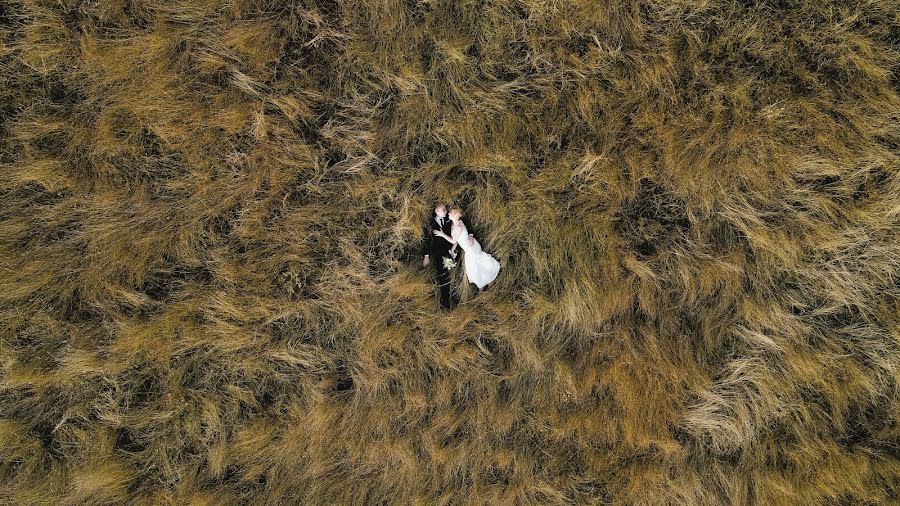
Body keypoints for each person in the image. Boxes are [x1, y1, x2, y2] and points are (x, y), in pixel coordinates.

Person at [433, 207, 500, 293]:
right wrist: (453, 250)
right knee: (476, 266)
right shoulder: (454, 224)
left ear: (456, 215)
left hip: (470, 248)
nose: (448, 213)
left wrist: (442, 234)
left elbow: (453, 240)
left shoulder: (459, 226)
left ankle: (483, 284)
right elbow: (456, 241)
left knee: (474, 268)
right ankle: (484, 284)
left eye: (451, 213)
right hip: (468, 247)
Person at [421, 203, 455, 309]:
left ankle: (453, 294)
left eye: (446, 209)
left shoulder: (449, 220)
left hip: (449, 251)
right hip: (437, 253)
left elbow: (461, 225)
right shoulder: (430, 223)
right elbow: (426, 239)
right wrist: (426, 255)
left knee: (452, 271)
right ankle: (444, 301)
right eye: (443, 210)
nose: (446, 211)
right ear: (436, 210)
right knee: (442, 275)